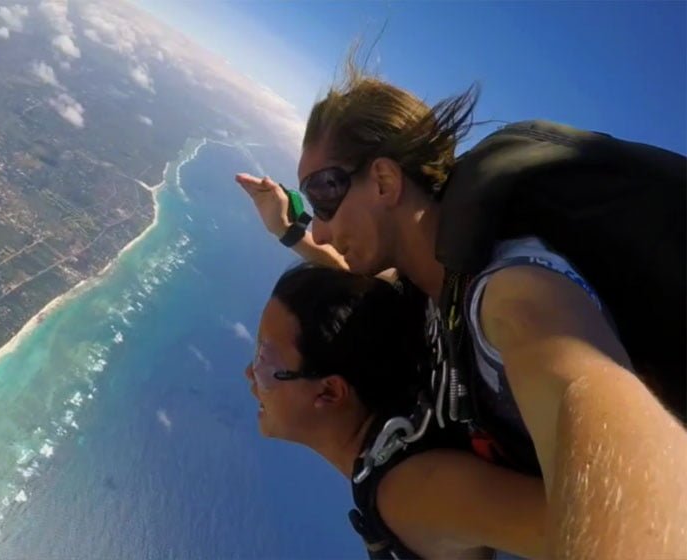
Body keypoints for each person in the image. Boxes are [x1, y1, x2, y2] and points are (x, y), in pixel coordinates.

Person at [236, 60, 687, 558]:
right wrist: (288, 230)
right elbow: (351, 267)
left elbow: (593, 402)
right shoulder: (432, 286)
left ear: (384, 181)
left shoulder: (512, 295)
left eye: (323, 197)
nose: (319, 228)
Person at [249, 263, 545, 559]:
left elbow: (575, 530)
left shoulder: (412, 492)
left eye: (265, 361)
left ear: (329, 392)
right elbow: (356, 312)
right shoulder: (405, 454)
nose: (250, 373)